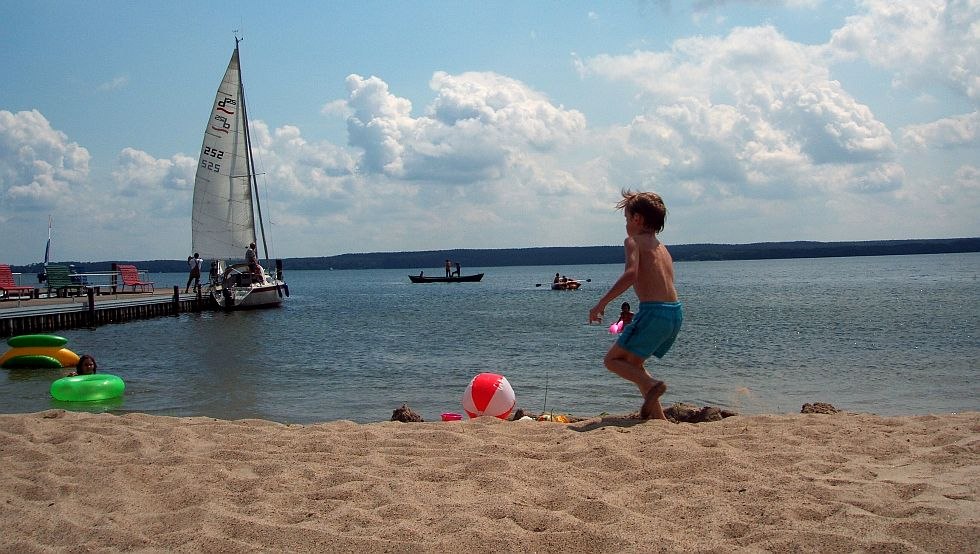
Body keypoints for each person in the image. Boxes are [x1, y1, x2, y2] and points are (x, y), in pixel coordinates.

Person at [589, 190, 682, 420]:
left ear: (636, 219)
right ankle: (658, 418)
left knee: (612, 361)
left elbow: (631, 275)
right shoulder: (662, 248)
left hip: (654, 312)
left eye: (626, 219)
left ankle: (652, 384)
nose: (626, 225)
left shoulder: (633, 241)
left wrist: (602, 302)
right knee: (635, 364)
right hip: (675, 313)